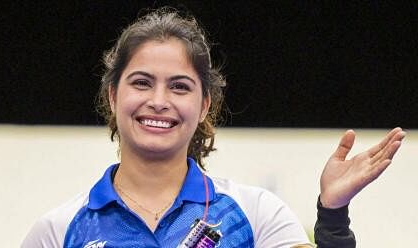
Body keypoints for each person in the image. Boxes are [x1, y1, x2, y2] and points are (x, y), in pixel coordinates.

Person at [21, 8, 406, 248]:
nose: (158, 100)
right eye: (141, 82)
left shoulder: (255, 215)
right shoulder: (58, 232)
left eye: (179, 86)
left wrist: (333, 217)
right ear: (112, 96)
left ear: (205, 104)